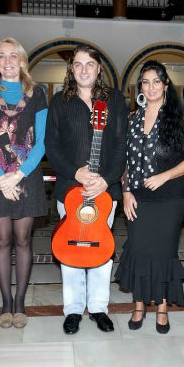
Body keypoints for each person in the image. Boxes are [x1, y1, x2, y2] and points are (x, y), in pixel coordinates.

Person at [45, 45, 127, 335]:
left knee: (101, 250)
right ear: (71, 69)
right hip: (70, 189)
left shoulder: (115, 100)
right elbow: (51, 146)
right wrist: (75, 172)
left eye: (89, 64)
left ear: (98, 68)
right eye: (77, 64)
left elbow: (120, 145)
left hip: (105, 191)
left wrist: (107, 178)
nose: (83, 70)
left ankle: (99, 307)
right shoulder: (59, 102)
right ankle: (73, 309)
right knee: (71, 251)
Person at [115, 61, 184, 334]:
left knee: (163, 253)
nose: (150, 87)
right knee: (138, 249)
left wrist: (165, 176)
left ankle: (161, 307)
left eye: (156, 81)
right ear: (141, 87)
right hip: (137, 197)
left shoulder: (177, 118)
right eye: (145, 82)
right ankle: (139, 305)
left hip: (170, 199)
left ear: (165, 85)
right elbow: (124, 161)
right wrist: (125, 192)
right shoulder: (132, 119)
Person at [0, 38, 48, 329]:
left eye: (12, 56)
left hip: (27, 178)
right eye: (1, 56)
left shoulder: (37, 93)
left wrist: (18, 175)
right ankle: (5, 302)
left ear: (22, 61)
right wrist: (3, 179)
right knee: (2, 239)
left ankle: (20, 302)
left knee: (24, 240)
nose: (7, 61)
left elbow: (42, 142)